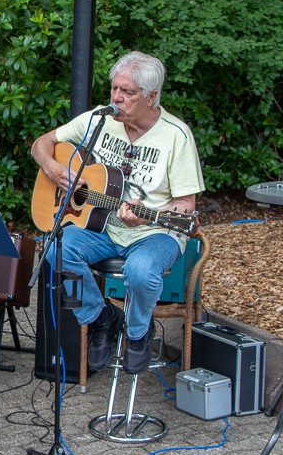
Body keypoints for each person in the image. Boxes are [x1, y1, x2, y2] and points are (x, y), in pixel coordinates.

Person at [30, 51, 204, 375]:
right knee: (56, 248)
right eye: (114, 88)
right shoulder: (99, 120)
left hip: (156, 232)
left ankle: (137, 333)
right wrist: (53, 168)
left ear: (151, 96)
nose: (116, 98)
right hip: (104, 229)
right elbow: (42, 143)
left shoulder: (176, 136)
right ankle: (101, 318)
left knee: (140, 270)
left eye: (128, 92)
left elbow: (186, 205)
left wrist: (147, 214)